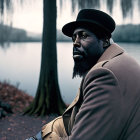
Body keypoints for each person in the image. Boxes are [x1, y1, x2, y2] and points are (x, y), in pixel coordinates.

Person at [27, 9, 140, 140]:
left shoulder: (105, 75)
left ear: (105, 40)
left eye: (84, 36)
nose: (75, 42)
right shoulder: (122, 61)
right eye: (74, 37)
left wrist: (44, 136)